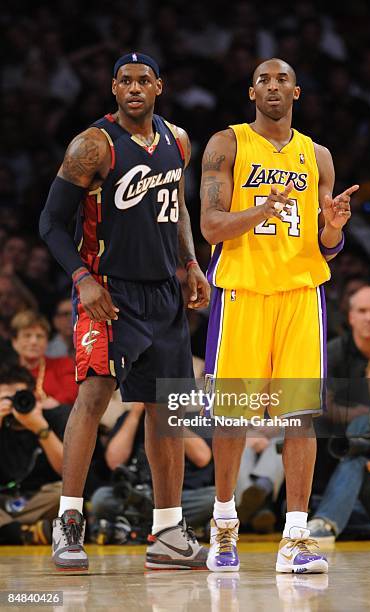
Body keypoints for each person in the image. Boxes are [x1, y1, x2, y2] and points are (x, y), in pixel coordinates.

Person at [39, 52, 210, 571]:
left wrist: (191, 262)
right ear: (114, 88)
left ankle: (168, 532)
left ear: (160, 86)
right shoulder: (93, 145)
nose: (135, 87)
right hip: (109, 293)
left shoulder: (178, 141)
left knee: (169, 409)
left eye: (144, 80)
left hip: (163, 294)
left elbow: (177, 205)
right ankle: (68, 522)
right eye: (125, 80)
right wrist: (83, 279)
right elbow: (49, 222)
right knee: (92, 398)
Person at [200, 57, 359, 573]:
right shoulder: (227, 144)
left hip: (299, 293)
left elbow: (326, 243)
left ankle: (295, 538)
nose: (273, 86)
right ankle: (224, 525)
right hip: (242, 291)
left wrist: (332, 228)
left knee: (299, 417)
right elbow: (210, 227)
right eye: (264, 79)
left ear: (298, 92)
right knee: (231, 418)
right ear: (251, 92)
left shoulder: (318, 156)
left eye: (282, 79)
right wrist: (259, 211)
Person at [308, 355, 370, 540]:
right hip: (368, 501)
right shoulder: (360, 424)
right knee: (314, 502)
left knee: (359, 459)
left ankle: (326, 526)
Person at [90, 404, 215, 538]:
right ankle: (166, 526)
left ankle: (133, 527)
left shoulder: (190, 417)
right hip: (136, 497)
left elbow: (202, 457)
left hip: (179, 498)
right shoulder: (129, 418)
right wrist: (135, 414)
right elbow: (114, 461)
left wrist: (169, 417)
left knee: (214, 497)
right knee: (100, 498)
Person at [0, 363, 70, 545]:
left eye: (19, 397)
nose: (13, 404)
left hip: (39, 500)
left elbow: (69, 472)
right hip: (3, 501)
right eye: (5, 399)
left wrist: (40, 428)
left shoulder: (54, 418)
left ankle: (10, 531)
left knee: (63, 492)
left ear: (35, 398)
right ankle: (27, 532)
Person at [10, 310, 77, 407]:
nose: (34, 341)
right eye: (27, 335)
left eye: (40, 336)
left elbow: (72, 392)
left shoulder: (63, 365)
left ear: (47, 342)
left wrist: (52, 403)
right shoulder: (6, 373)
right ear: (15, 342)